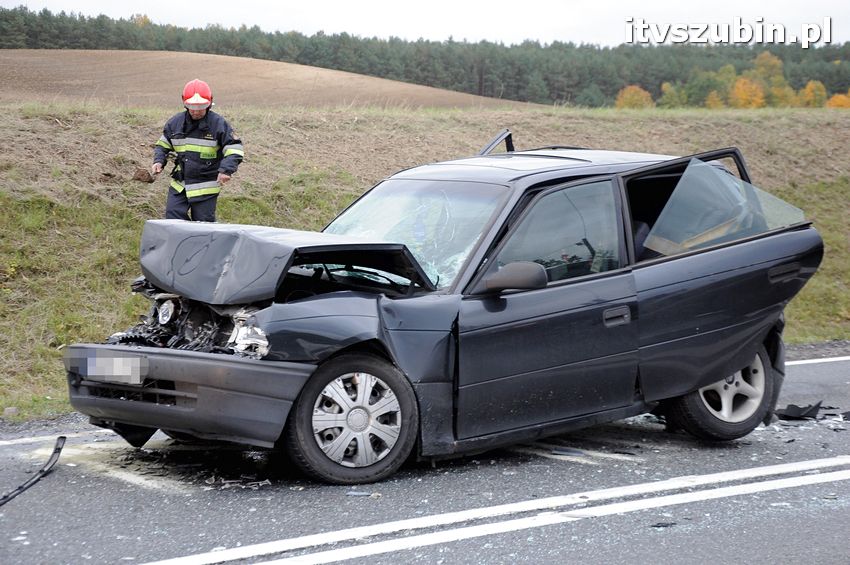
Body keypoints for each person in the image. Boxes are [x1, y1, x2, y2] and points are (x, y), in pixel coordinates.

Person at [151, 79, 243, 222]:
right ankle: (185, 243)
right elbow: (162, 145)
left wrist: (226, 170)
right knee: (173, 218)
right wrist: (159, 161)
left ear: (209, 103)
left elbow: (234, 148)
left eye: (201, 107)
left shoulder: (218, 124)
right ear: (184, 103)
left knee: (203, 227)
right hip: (181, 184)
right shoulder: (175, 123)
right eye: (192, 107)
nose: (196, 111)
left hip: (206, 186)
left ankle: (204, 243)